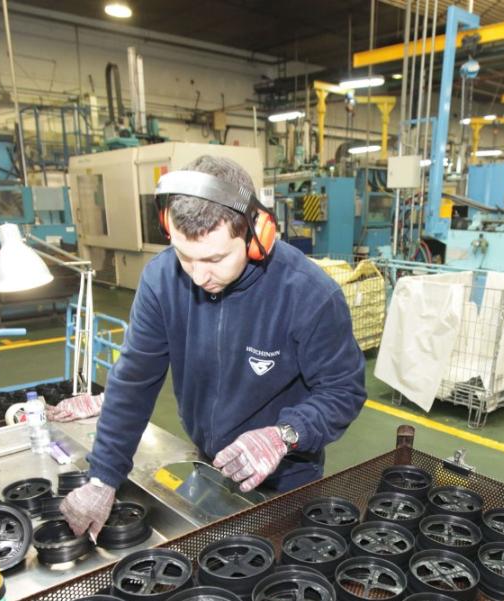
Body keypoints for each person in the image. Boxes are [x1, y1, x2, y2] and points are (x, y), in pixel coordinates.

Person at [54, 155, 367, 542]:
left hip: (286, 479)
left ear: (257, 235)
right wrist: (103, 477)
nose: (200, 276)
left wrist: (284, 434)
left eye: (216, 258)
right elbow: (133, 383)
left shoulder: (308, 294)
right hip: (208, 463)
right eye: (186, 257)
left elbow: (343, 390)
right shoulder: (162, 280)